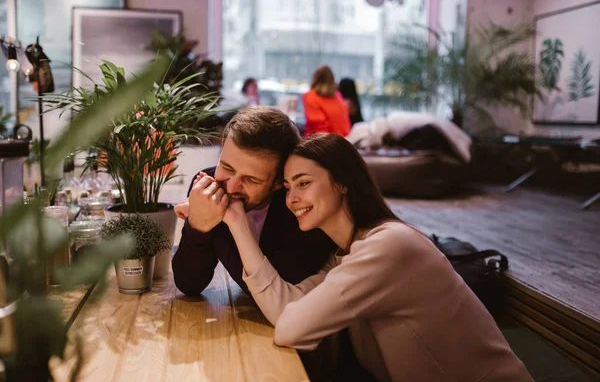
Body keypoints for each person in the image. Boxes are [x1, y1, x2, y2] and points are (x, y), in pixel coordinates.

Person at [219, 133, 534, 381]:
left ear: (342, 182)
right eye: (287, 187)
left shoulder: (387, 248)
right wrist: (236, 221)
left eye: (304, 183)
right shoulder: (350, 254)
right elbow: (286, 310)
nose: (292, 199)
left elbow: (290, 328)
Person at [172, 106, 335, 297]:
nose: (231, 187)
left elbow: (269, 293)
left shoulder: (300, 207)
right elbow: (189, 284)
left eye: (251, 180)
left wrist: (219, 217)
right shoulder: (207, 185)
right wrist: (198, 227)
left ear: (278, 183)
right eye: (226, 167)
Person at [302, 66, 350, 137]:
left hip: (323, 143)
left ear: (315, 79)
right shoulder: (338, 97)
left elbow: (319, 129)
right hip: (343, 141)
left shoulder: (310, 96)